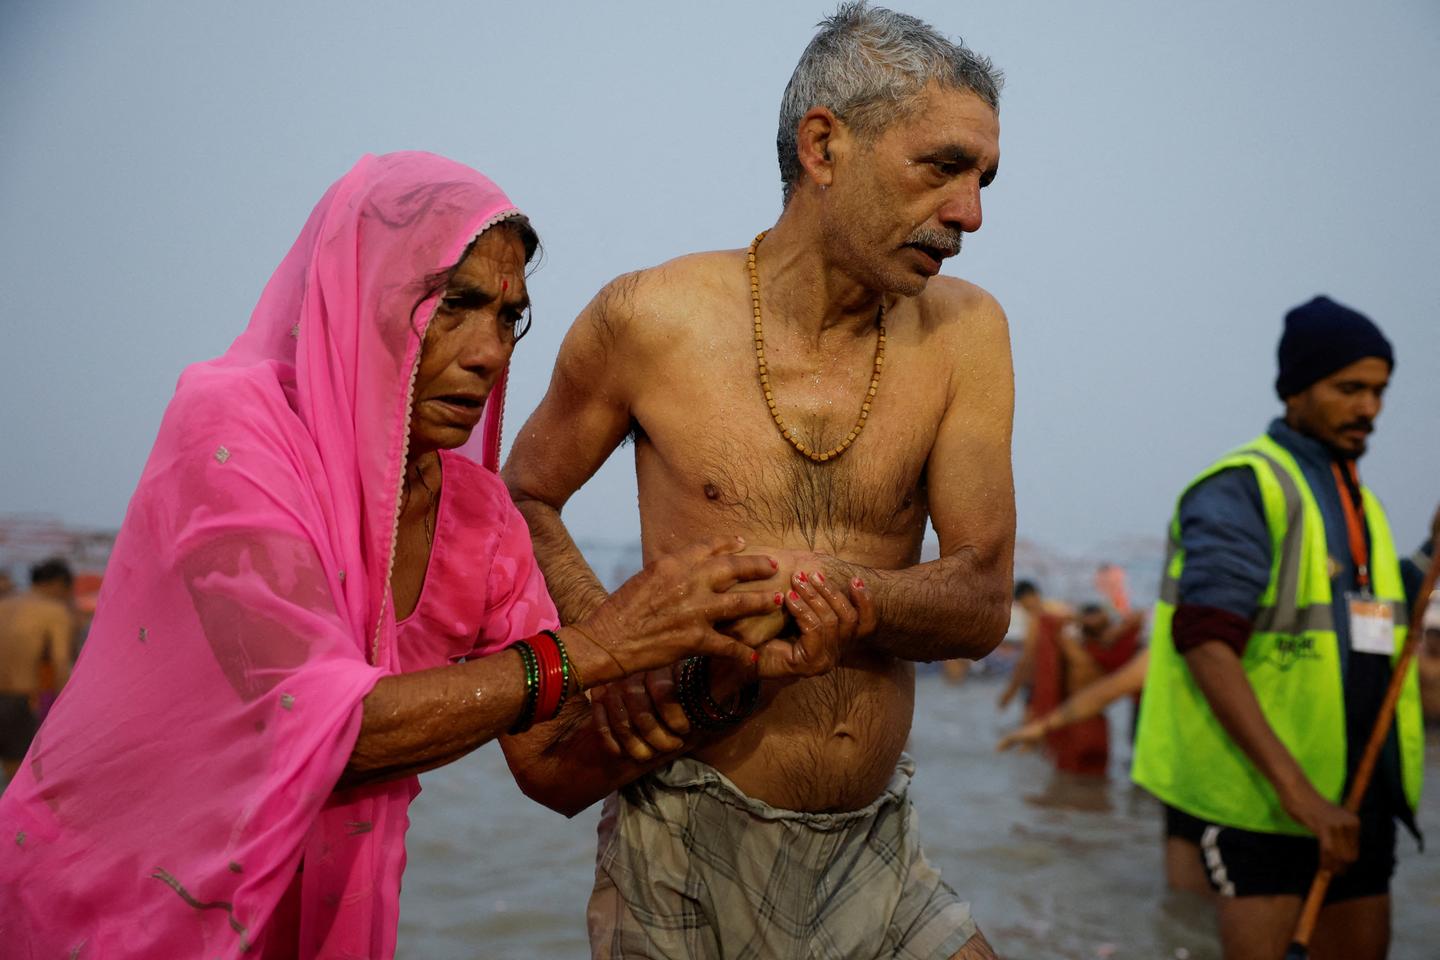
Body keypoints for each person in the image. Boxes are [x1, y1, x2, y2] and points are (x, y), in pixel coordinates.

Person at [0, 152, 860, 958]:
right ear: (359, 293)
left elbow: (555, 764)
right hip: (102, 912)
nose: (488, 352)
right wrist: (600, 646)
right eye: (452, 303)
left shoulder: (478, 518)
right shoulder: (233, 436)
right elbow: (320, 732)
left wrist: (741, 672)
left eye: (509, 316)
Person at [502, 5, 1012, 957]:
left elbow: (983, 599)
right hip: (680, 838)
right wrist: (609, 647)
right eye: (941, 167)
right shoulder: (649, 318)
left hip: (877, 848)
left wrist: (837, 597)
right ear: (825, 144)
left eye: (983, 178)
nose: (969, 213)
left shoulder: (966, 334)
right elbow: (522, 496)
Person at [1131, 296, 1436, 960]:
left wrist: (1428, 557)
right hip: (1266, 806)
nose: (1370, 409)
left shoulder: (1363, 501)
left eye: (1379, 391)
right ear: (1296, 389)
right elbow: (1207, 643)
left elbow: (1374, 615)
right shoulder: (1243, 487)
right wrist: (1301, 798)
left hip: (1359, 802)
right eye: (1349, 389)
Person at [0, 557, 75, 783]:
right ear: (59, 584)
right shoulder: (54, 611)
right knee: (18, 780)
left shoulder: (4, 604)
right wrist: (65, 714)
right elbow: (61, 663)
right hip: (19, 699)